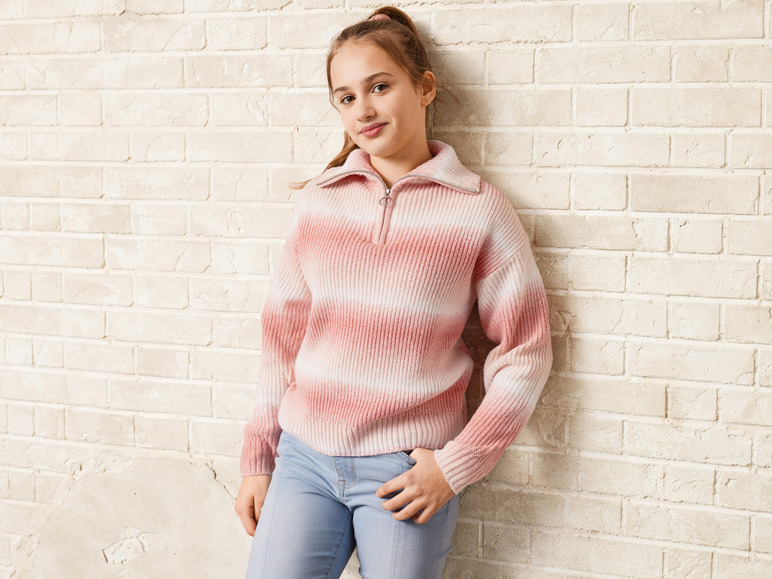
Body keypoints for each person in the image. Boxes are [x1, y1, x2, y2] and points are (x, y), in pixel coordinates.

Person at [234, 6, 553, 578]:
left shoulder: (479, 210)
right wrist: (259, 458)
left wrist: (456, 465)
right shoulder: (319, 202)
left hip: (405, 471)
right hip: (303, 459)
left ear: (425, 88)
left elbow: (525, 352)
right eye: (346, 96)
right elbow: (280, 341)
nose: (363, 109)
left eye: (379, 87)